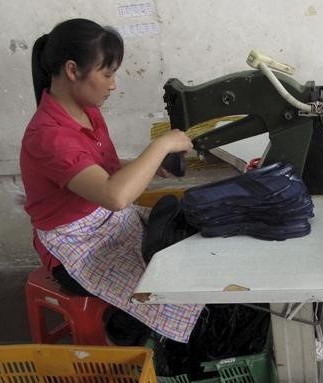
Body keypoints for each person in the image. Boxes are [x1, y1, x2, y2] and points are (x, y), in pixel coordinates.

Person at [20, 18, 203, 343]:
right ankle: (128, 333)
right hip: (77, 247)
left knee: (189, 251)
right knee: (167, 288)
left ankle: (135, 325)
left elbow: (98, 171)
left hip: (110, 223)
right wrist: (160, 145)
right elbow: (114, 195)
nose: (113, 84)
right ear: (73, 70)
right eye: (107, 74)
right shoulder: (48, 136)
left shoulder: (86, 111)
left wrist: (147, 164)